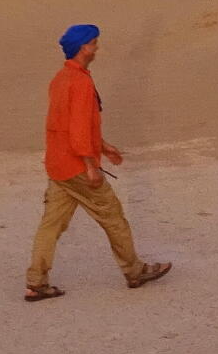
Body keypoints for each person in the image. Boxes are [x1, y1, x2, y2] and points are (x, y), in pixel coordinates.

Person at [24, 25, 171, 302]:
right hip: (77, 167)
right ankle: (134, 271)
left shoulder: (60, 79)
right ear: (83, 49)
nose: (96, 48)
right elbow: (78, 129)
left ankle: (36, 283)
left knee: (51, 225)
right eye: (93, 44)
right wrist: (91, 165)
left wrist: (103, 145)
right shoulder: (80, 83)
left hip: (58, 166)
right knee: (113, 217)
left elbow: (65, 124)